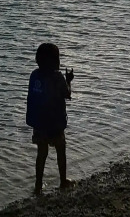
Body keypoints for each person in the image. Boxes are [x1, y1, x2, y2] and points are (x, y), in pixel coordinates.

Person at [26, 43, 74, 196]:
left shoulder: (34, 75)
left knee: (42, 153)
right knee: (61, 150)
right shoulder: (58, 77)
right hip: (55, 124)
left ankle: (38, 185)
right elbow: (67, 95)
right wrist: (69, 80)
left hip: (39, 123)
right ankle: (63, 181)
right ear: (55, 61)